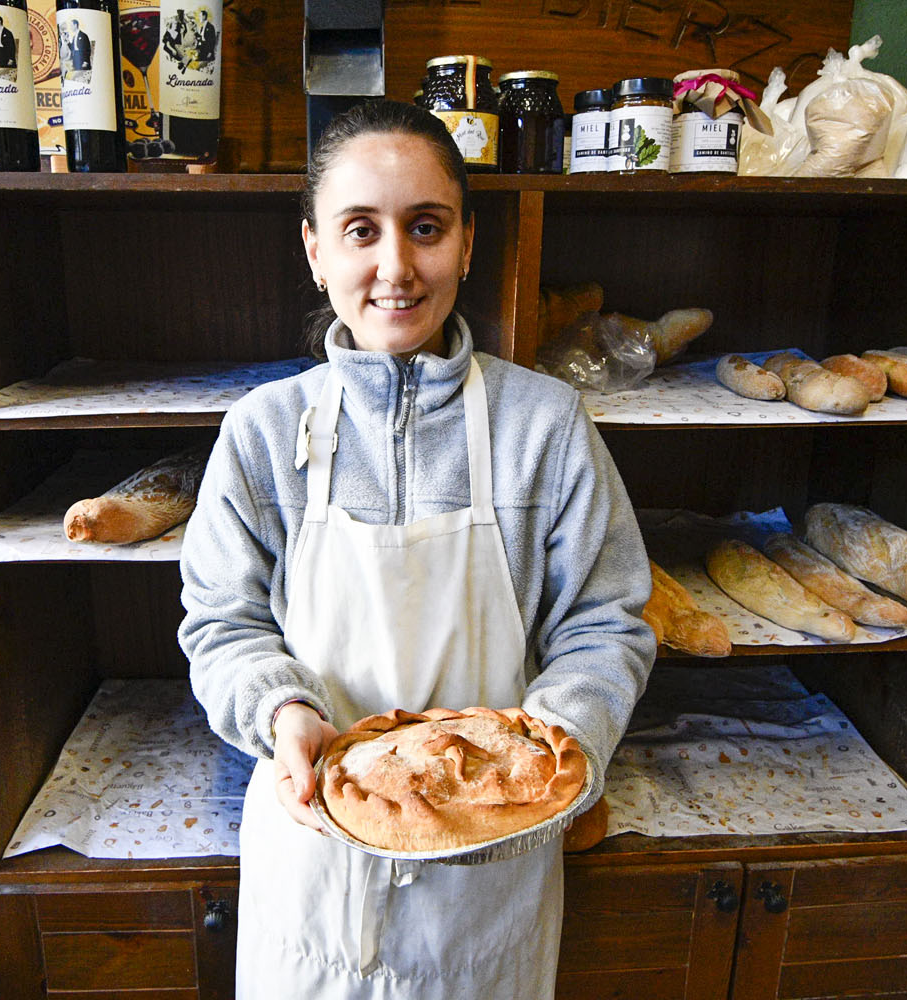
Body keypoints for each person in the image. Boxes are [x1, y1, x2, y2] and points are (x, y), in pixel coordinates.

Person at [178, 99, 655, 999]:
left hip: (488, 883)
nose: (395, 266)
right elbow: (221, 621)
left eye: (426, 228)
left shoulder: (545, 427)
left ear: (468, 244)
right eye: (361, 230)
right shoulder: (263, 431)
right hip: (314, 871)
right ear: (315, 250)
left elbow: (605, 624)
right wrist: (282, 711)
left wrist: (554, 752)